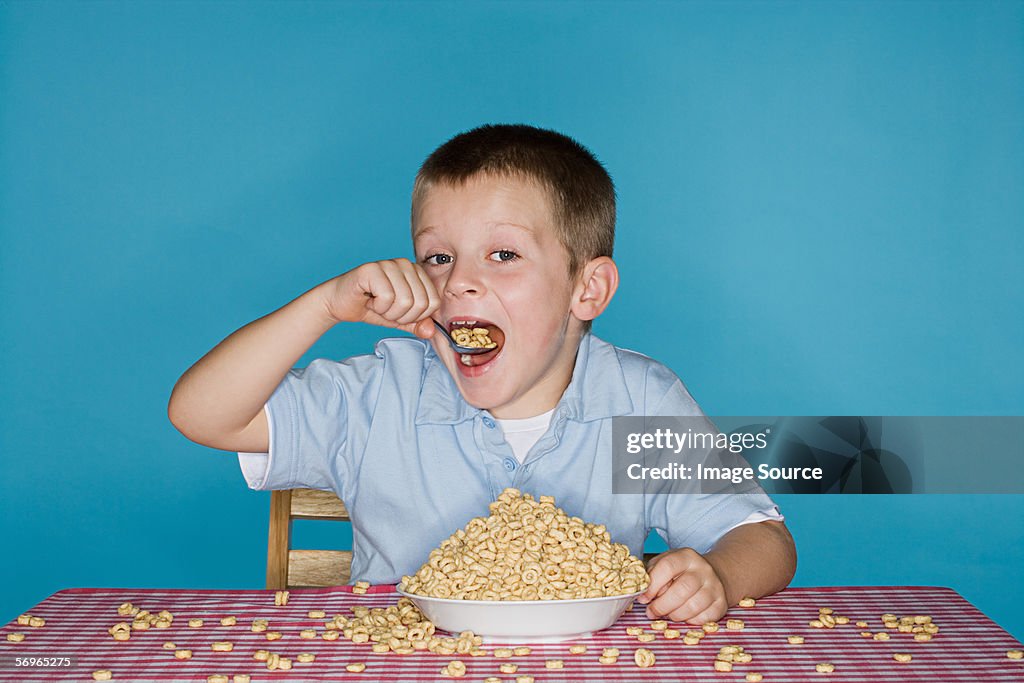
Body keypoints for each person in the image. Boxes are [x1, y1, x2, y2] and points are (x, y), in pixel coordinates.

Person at [168, 123, 796, 624]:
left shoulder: (637, 400)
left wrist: (717, 576)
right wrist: (324, 305)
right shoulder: (376, 393)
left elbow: (760, 536)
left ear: (588, 288)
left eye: (503, 255)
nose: (458, 280)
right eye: (436, 257)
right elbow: (200, 415)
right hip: (396, 666)